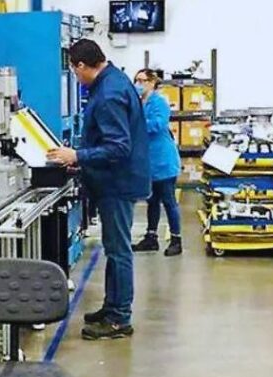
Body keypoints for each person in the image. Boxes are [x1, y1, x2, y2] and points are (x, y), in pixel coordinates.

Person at [48, 40, 150, 340]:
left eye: (74, 71)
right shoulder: (112, 80)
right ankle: (112, 306)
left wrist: (77, 156)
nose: (76, 77)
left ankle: (119, 319)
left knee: (119, 251)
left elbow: (118, 147)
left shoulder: (108, 94)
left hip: (118, 184)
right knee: (113, 248)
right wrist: (81, 161)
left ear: (81, 65)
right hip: (115, 180)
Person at [132, 69, 183, 256]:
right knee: (152, 200)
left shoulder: (159, 102)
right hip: (148, 163)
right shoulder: (138, 103)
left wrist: (135, 125)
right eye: (136, 80)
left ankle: (176, 240)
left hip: (163, 161)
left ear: (152, 82)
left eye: (142, 80)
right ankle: (151, 238)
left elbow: (157, 124)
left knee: (169, 201)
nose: (138, 84)